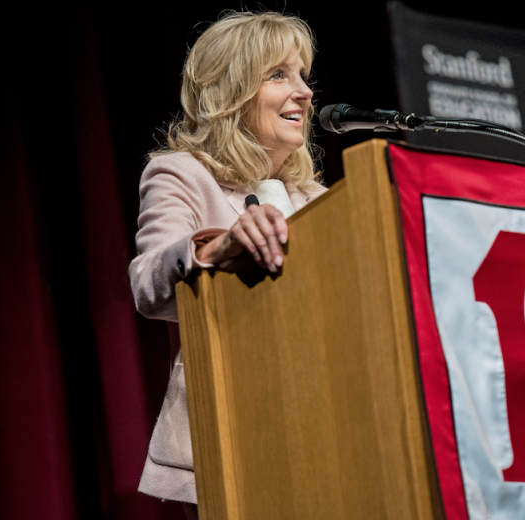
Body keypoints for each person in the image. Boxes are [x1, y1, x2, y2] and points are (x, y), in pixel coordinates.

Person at [128, 10, 327, 516]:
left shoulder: (317, 199)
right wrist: (219, 247)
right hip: (237, 431)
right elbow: (150, 286)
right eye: (279, 75)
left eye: (302, 76)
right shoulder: (180, 175)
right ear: (232, 91)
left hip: (326, 422)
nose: (303, 92)